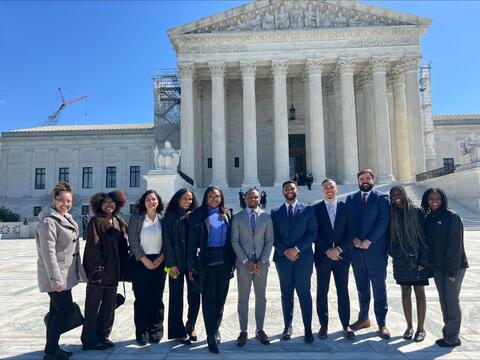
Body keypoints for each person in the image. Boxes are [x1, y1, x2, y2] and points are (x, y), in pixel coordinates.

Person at [36, 181, 86, 360]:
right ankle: (50, 349)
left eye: (69, 201)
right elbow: (47, 253)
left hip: (66, 274)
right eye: (62, 200)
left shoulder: (67, 218)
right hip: (56, 277)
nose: (65, 204)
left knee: (58, 312)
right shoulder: (48, 222)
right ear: (54, 200)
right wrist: (56, 279)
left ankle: (52, 349)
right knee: (65, 312)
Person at [187, 186, 235, 353]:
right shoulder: (198, 216)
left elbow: (231, 240)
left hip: (224, 260)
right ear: (205, 198)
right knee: (208, 298)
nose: (214, 199)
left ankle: (216, 328)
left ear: (221, 198)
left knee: (221, 297)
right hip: (206, 261)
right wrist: (191, 266)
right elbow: (192, 244)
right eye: (210, 196)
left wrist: (233, 263)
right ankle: (210, 335)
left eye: (217, 196)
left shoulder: (227, 214)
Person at [81, 190, 129, 351]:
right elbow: (92, 248)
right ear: (99, 205)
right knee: (93, 307)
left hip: (114, 272)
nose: (109, 205)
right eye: (106, 202)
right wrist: (96, 270)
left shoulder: (118, 221)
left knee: (109, 306)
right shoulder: (96, 221)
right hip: (99, 273)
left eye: (112, 202)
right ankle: (89, 339)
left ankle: (103, 335)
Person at [270, 180, 318, 343]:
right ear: (283, 192)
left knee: (304, 293)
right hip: (283, 260)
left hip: (303, 258)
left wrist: (296, 249)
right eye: (286, 189)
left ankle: (308, 328)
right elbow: (273, 236)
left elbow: (312, 233)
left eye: (292, 188)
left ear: (297, 190)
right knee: (286, 294)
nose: (289, 191)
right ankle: (287, 326)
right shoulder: (275, 212)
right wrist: (285, 251)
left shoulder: (308, 209)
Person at [345, 169, 390, 339]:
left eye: (367, 178)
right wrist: (355, 239)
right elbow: (349, 221)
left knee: (379, 287)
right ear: (358, 181)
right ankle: (363, 318)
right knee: (362, 286)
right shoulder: (351, 198)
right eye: (362, 178)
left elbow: (384, 220)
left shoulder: (381, 197)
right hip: (356, 250)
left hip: (376, 250)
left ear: (373, 179)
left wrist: (369, 240)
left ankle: (381, 323)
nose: (364, 181)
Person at [421, 188, 469, 347]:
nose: (434, 201)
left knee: (452, 300)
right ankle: (448, 333)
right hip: (438, 267)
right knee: (444, 300)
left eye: (437, 198)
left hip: (453, 267)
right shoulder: (429, 218)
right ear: (426, 201)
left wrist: (452, 272)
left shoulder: (452, 217)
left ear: (443, 200)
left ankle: (453, 337)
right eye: (431, 199)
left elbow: (455, 247)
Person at [313, 179, 356, 341]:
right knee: (322, 291)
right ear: (322, 190)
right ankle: (323, 325)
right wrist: (327, 250)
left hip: (342, 256)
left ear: (336, 189)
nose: (329, 190)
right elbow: (314, 232)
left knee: (342, 290)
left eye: (331, 187)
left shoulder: (346, 208)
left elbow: (351, 232)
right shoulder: (315, 209)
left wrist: (338, 249)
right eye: (326, 188)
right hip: (323, 257)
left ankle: (346, 324)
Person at [231, 188, 274, 347]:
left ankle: (260, 329)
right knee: (243, 298)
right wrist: (245, 261)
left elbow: (269, 241)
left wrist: (262, 261)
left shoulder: (266, 217)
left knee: (261, 297)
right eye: (250, 197)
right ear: (245, 198)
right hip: (244, 265)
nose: (253, 199)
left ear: (259, 198)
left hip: (261, 265)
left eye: (255, 197)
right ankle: (243, 331)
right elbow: (234, 241)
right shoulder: (237, 217)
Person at [389, 186, 429, 342]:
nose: (396, 197)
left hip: (417, 258)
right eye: (393, 195)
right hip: (400, 259)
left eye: (399, 194)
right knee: (405, 293)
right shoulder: (392, 213)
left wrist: (423, 259)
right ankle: (409, 326)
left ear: (404, 194)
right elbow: (390, 238)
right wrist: (394, 253)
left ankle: (421, 328)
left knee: (419, 292)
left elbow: (425, 238)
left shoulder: (416, 212)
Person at [128, 190, 166, 346]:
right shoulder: (137, 219)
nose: (152, 202)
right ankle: (142, 332)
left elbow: (168, 241)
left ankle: (155, 331)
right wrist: (144, 260)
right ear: (144, 202)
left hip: (159, 260)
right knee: (141, 298)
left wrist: (160, 258)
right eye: (149, 199)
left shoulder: (162, 219)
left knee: (156, 298)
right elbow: (133, 241)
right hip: (140, 262)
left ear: (158, 202)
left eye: (154, 199)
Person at [163, 188, 201, 344]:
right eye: (185, 199)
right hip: (175, 264)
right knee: (175, 297)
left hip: (192, 264)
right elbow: (167, 242)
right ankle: (178, 331)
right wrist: (171, 264)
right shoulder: (170, 216)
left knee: (194, 295)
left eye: (190, 199)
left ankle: (191, 326)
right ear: (178, 199)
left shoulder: (195, 217)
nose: (188, 201)